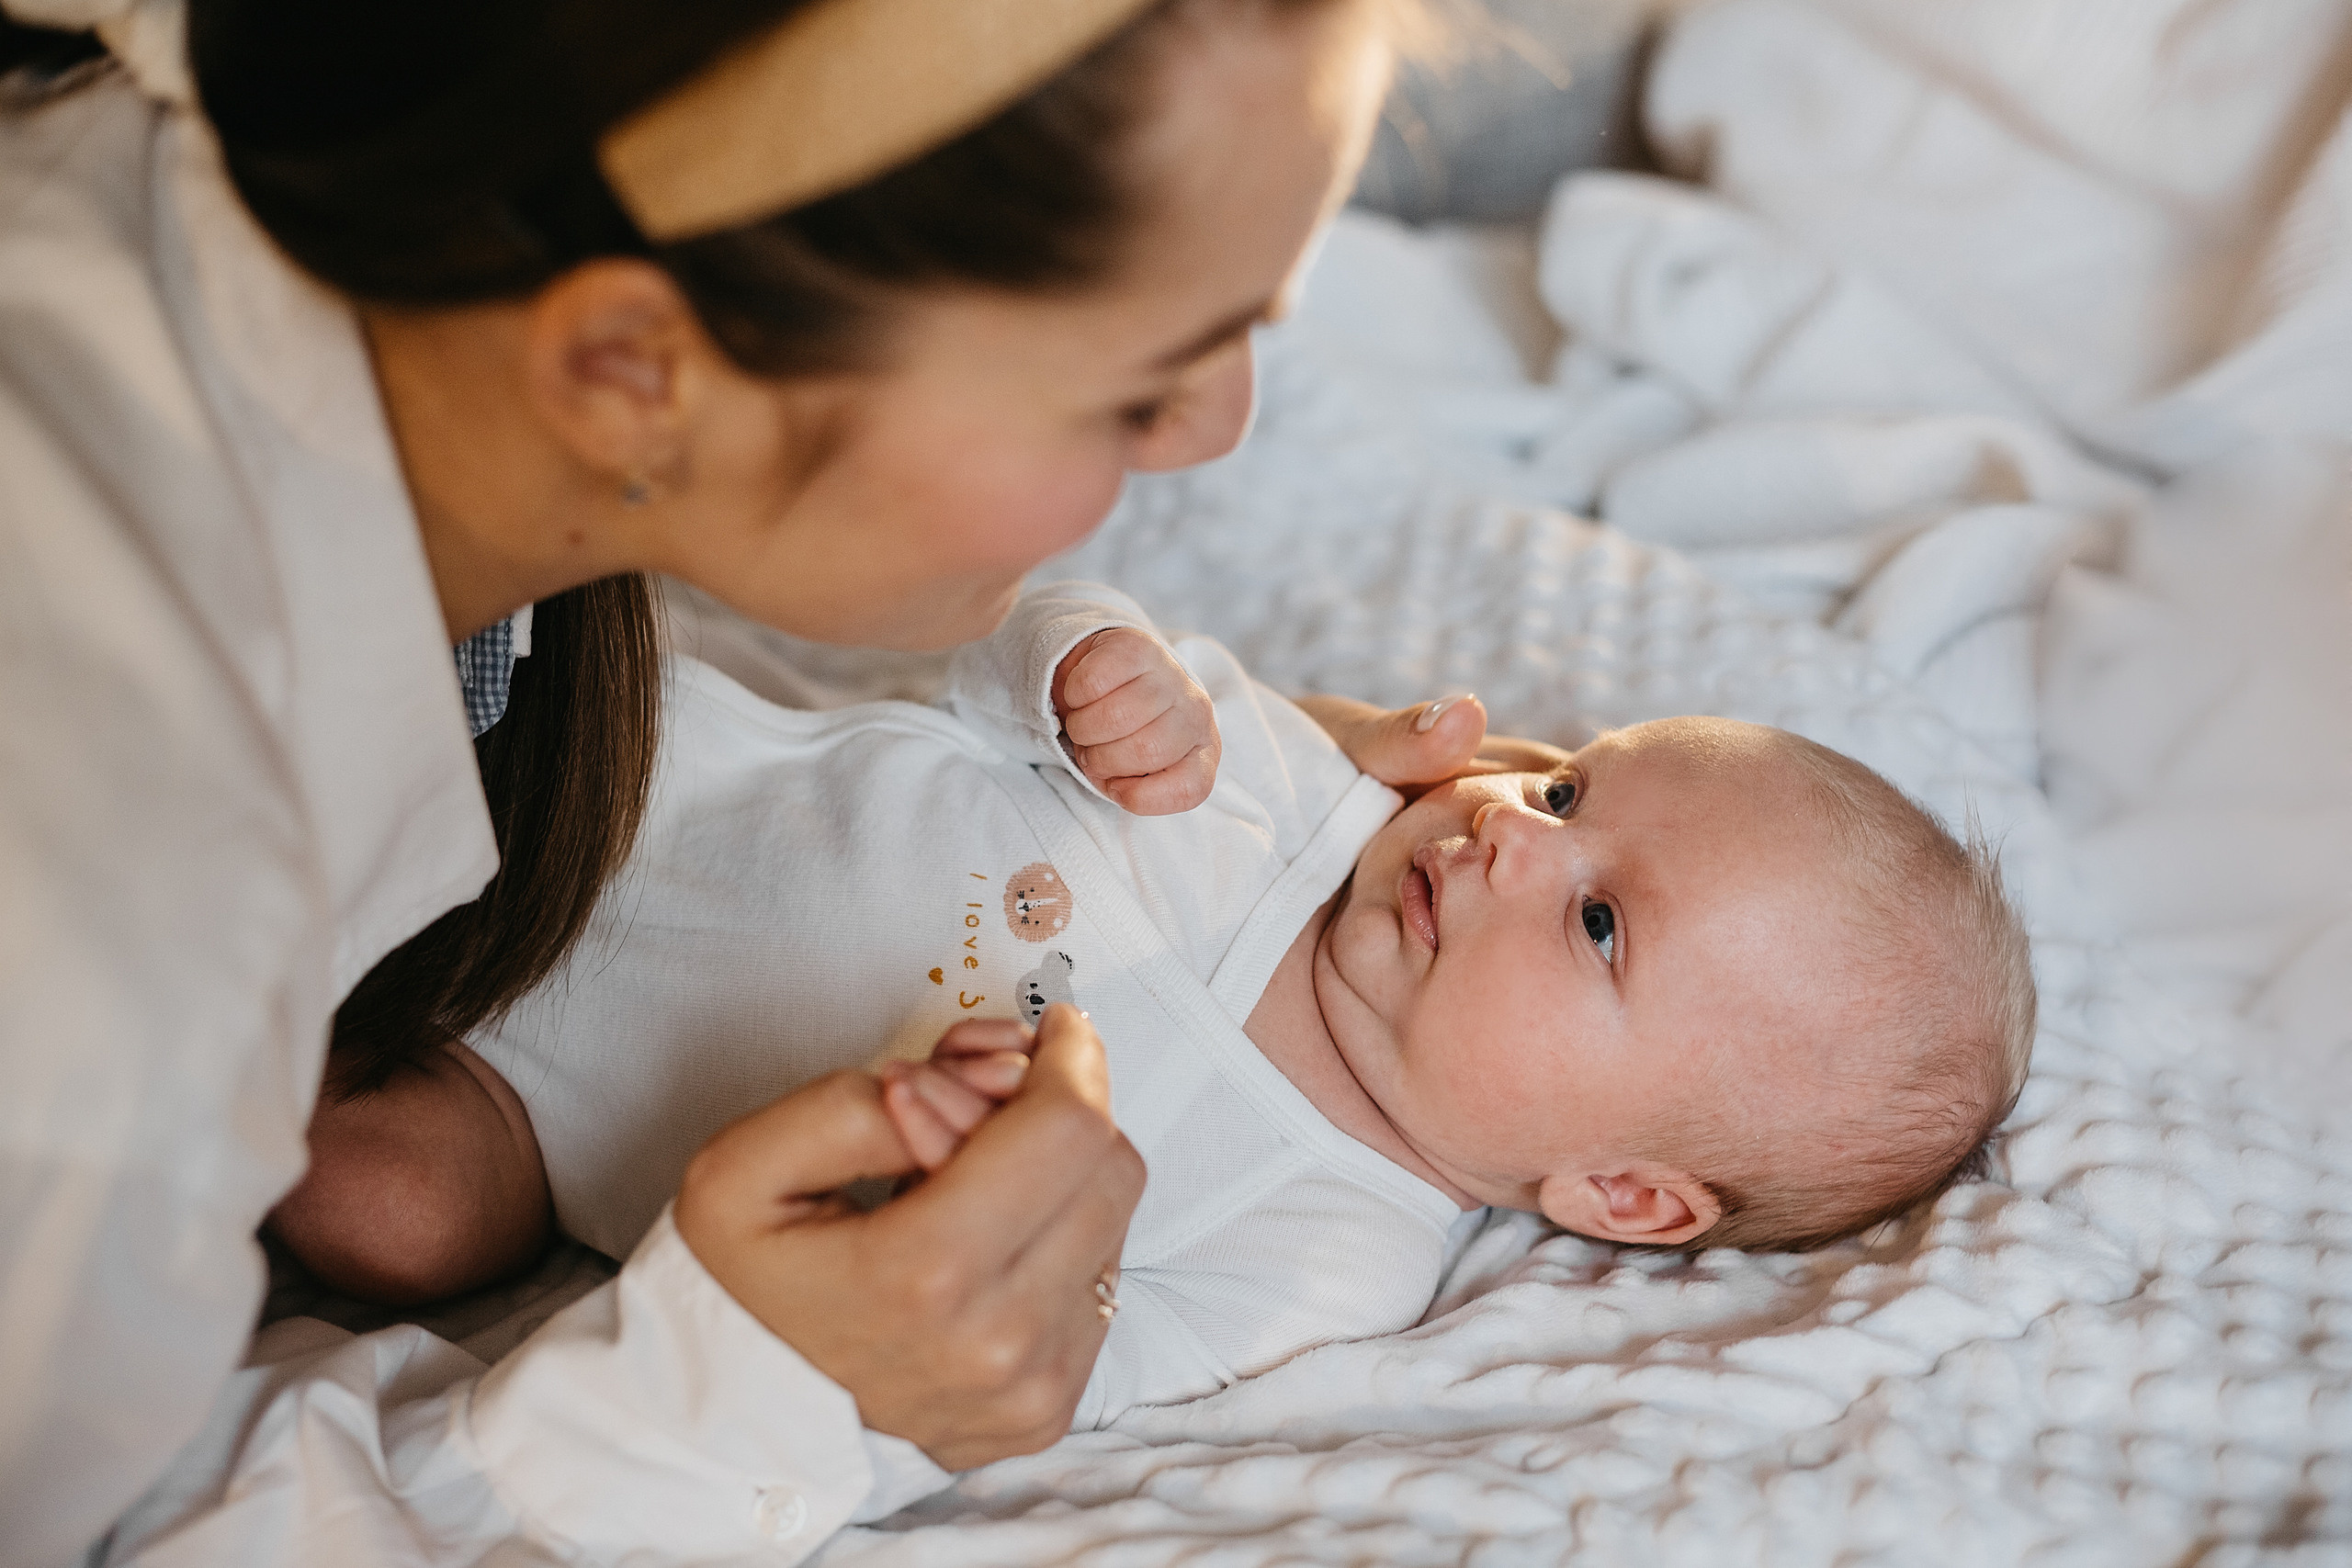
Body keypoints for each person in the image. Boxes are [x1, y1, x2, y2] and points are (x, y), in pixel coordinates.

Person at [0, 1, 1530, 1562]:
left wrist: (1258, 816)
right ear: (629, 369)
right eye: (1139, 387)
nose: (1219, 435)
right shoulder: (93, 970)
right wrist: (748, 1395)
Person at [293, 584, 2038, 1432]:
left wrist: (957, 1261)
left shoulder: (1322, 1260)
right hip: (620, 790)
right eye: (1573, 790)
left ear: (1624, 1197)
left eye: (1597, 921)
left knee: (390, 1216)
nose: (1508, 832)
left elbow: (1042, 1370)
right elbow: (1004, 671)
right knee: (384, 700)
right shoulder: (1300, 797)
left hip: (537, 1112)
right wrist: (1089, 672)